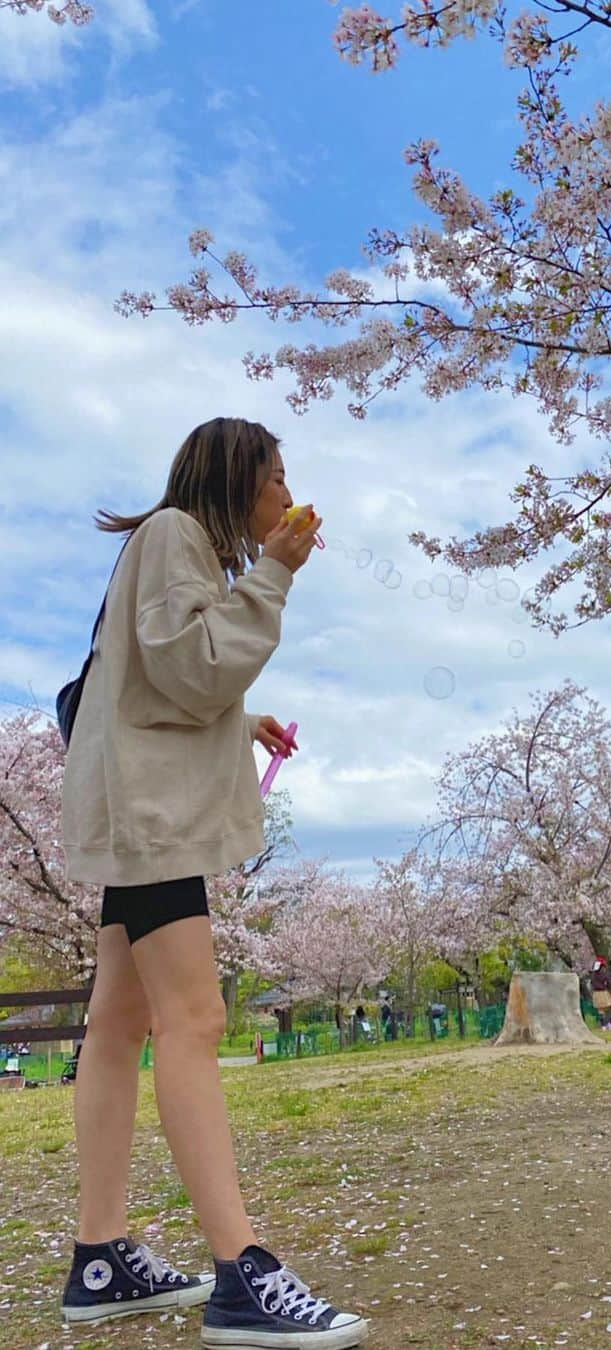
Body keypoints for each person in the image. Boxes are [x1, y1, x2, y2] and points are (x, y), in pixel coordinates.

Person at [59, 418, 370, 1346]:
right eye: (277, 475)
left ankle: (100, 1255)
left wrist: (242, 721)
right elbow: (191, 669)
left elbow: (152, 687)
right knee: (195, 1021)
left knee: (120, 1026)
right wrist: (274, 573)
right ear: (239, 478)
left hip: (138, 807)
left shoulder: (171, 548)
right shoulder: (172, 536)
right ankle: (243, 1272)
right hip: (152, 824)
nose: (286, 492)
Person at [589, 956, 611, 1029]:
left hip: (596, 993)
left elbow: (592, 983)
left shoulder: (593, 975)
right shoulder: (604, 974)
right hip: (603, 992)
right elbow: (609, 983)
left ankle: (603, 1026)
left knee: (600, 1009)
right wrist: (609, 988)